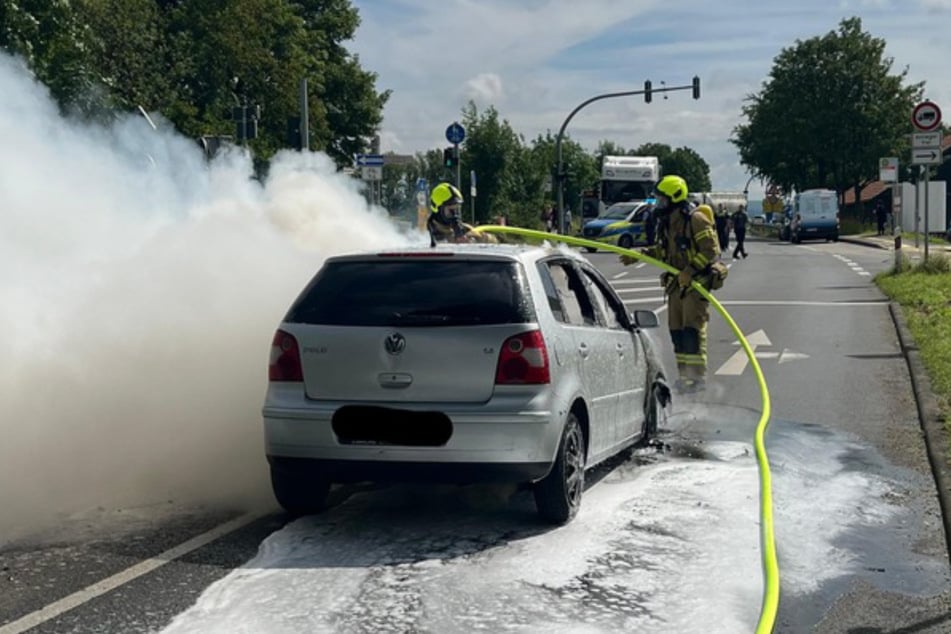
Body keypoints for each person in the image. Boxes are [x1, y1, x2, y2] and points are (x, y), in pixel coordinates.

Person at [619, 175, 725, 393]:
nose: (659, 204)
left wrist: (689, 271)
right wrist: (639, 255)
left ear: (675, 198)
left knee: (692, 331)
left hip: (696, 285)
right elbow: (664, 251)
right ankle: (684, 378)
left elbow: (711, 251)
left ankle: (696, 379)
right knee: (676, 332)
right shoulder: (667, 222)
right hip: (676, 286)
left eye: (662, 200)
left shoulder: (695, 219)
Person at [427, 182, 497, 246]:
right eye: (451, 210)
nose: (455, 214)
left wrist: (475, 240)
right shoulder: (426, 234)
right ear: (438, 209)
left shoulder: (465, 229)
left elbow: (494, 243)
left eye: (456, 209)